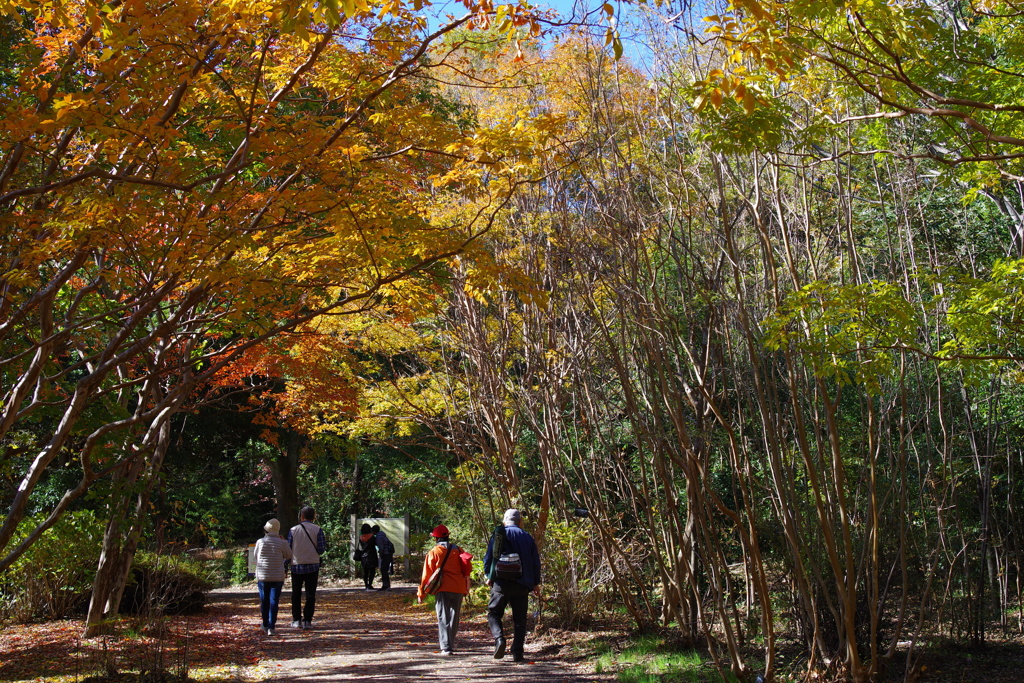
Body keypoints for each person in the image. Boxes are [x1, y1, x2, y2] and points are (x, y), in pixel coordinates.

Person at [483, 508, 541, 663]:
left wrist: (488, 575)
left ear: (504, 520)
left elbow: (489, 557)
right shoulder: (527, 537)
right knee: (520, 619)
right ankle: (518, 652)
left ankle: (499, 639)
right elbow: (535, 562)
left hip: (501, 583)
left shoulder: (499, 534)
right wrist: (535, 583)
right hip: (522, 584)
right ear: (520, 521)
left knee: (494, 613)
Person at [417, 524, 472, 656]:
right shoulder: (458, 550)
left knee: (443, 617)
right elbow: (467, 570)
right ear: (448, 536)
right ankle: (450, 644)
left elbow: (426, 575)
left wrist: (421, 593)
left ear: (435, 539)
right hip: (458, 587)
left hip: (442, 588)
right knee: (454, 617)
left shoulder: (434, 552)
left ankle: (446, 647)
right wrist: (466, 587)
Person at [287, 506, 326, 629]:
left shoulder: (293, 530)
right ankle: (307, 620)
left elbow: (288, 549)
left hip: (296, 565)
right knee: (310, 594)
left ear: (301, 516)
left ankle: (296, 619)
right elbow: (321, 549)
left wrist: (285, 565)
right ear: (313, 516)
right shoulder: (318, 530)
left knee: (296, 594)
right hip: (313, 565)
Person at [255, 518, 292, 636]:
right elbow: (289, 555)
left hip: (263, 575)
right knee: (274, 601)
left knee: (264, 600)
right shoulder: (283, 543)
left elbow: (256, 556)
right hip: (277, 576)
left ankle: (265, 624)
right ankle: (272, 626)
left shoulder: (260, 542)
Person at [373, 524, 395, 591]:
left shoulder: (379, 537)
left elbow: (381, 547)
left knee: (383, 569)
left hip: (385, 554)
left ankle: (385, 585)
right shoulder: (382, 535)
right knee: (385, 569)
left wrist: (380, 554)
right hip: (388, 553)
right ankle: (387, 585)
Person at [356, 523, 378, 589]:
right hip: (372, 555)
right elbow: (376, 544)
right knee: (372, 571)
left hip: (363, 556)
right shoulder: (372, 537)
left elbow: (360, 548)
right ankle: (370, 584)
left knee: (365, 571)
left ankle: (366, 585)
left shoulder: (361, 538)